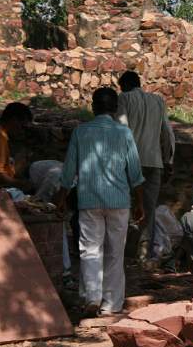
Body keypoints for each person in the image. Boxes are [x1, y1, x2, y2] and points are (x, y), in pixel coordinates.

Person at [55, 88, 145, 316]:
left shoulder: (80, 132)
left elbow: (68, 171)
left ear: (93, 107)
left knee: (90, 250)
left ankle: (92, 298)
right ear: (115, 109)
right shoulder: (124, 133)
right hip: (119, 201)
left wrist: (61, 198)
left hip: (89, 200)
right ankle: (112, 304)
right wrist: (140, 203)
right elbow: (135, 173)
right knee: (115, 252)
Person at [116, 71, 175, 263]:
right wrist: (169, 160)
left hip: (130, 162)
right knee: (148, 210)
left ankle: (123, 252)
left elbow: (121, 128)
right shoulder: (158, 101)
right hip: (154, 163)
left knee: (125, 206)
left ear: (124, 85)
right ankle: (143, 255)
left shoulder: (124, 98)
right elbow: (167, 132)